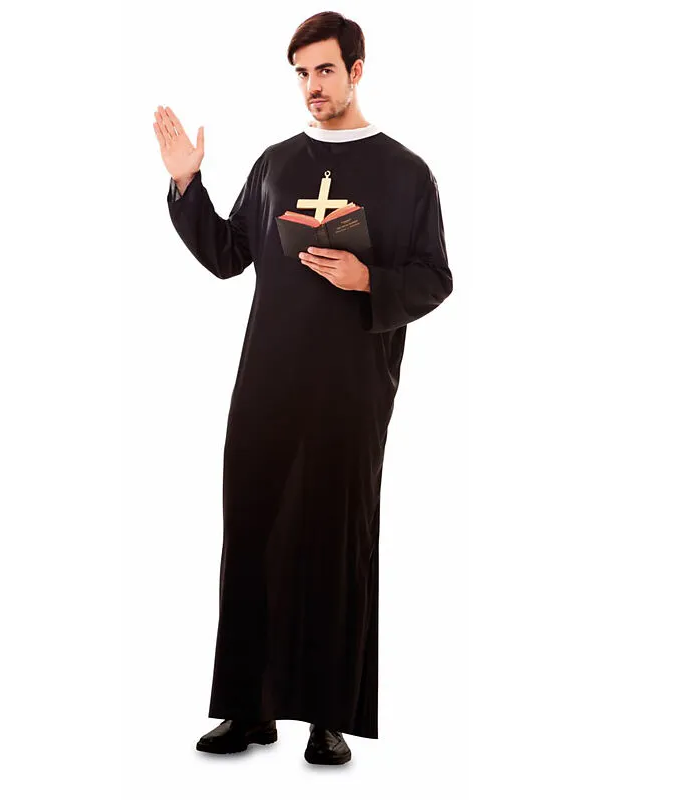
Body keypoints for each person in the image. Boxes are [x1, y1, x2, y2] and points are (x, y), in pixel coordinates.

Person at [152, 11, 452, 766]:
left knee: (332, 541)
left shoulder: (407, 173)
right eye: (301, 73)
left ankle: (326, 716)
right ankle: (248, 710)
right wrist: (186, 183)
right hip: (267, 383)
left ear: (357, 70)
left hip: (352, 390)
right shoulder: (277, 164)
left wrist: (367, 278)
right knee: (252, 534)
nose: (312, 86)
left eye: (324, 70)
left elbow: (434, 277)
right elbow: (228, 254)